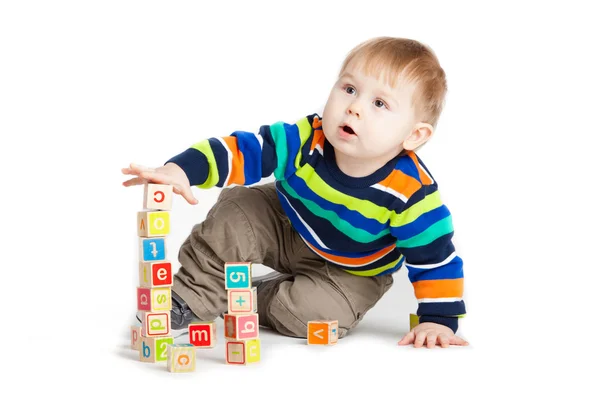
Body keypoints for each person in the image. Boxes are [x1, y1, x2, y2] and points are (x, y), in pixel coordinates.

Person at [122, 36, 468, 349]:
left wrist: (439, 320)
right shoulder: (307, 137)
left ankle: (251, 296)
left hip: (351, 271)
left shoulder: (412, 194)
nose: (355, 107)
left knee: (315, 317)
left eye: (380, 104)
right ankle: (190, 299)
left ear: (415, 136)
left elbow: (436, 258)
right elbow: (244, 150)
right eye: (349, 89)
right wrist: (181, 169)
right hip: (286, 222)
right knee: (236, 212)